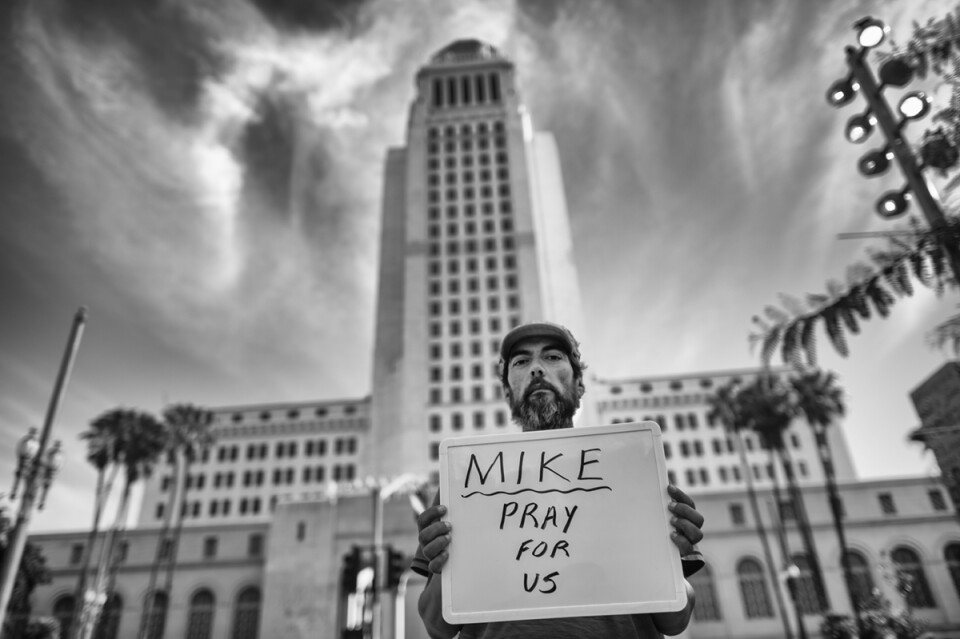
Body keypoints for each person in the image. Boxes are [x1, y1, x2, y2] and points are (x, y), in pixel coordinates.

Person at [411, 321, 705, 638]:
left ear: (579, 384)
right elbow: (437, 628)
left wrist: (671, 560)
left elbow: (675, 622)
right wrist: (446, 565)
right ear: (507, 390)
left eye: (552, 357)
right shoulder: (465, 480)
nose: (537, 369)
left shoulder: (637, 470)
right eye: (521, 361)